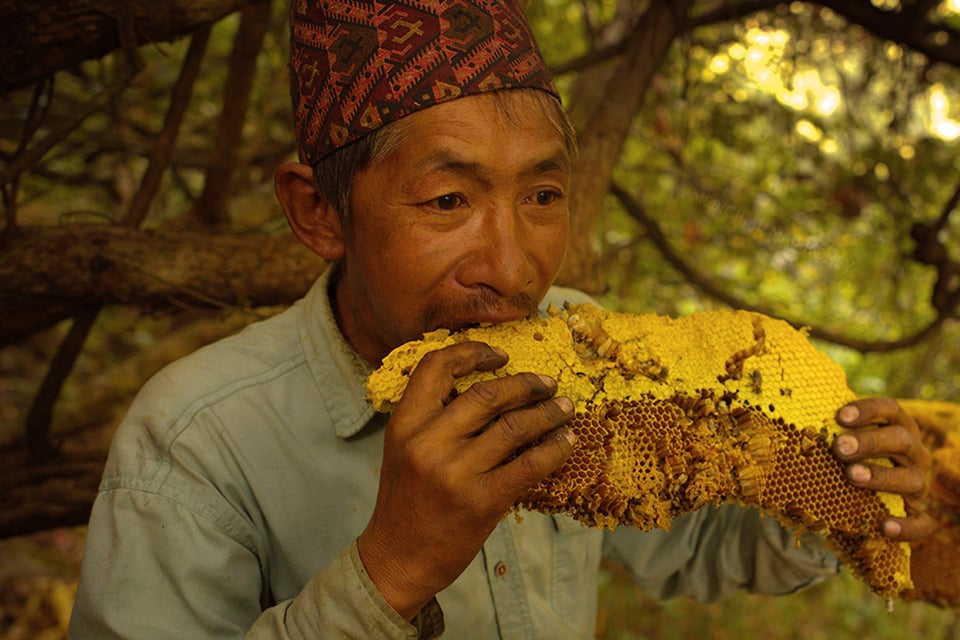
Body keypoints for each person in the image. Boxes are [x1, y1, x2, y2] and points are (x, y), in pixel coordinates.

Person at [68, 0, 935, 638]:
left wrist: (832, 493)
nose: (515, 270)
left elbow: (694, 544)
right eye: (449, 199)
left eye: (544, 195)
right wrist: (393, 569)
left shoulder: (587, 342)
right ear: (319, 214)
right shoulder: (194, 441)